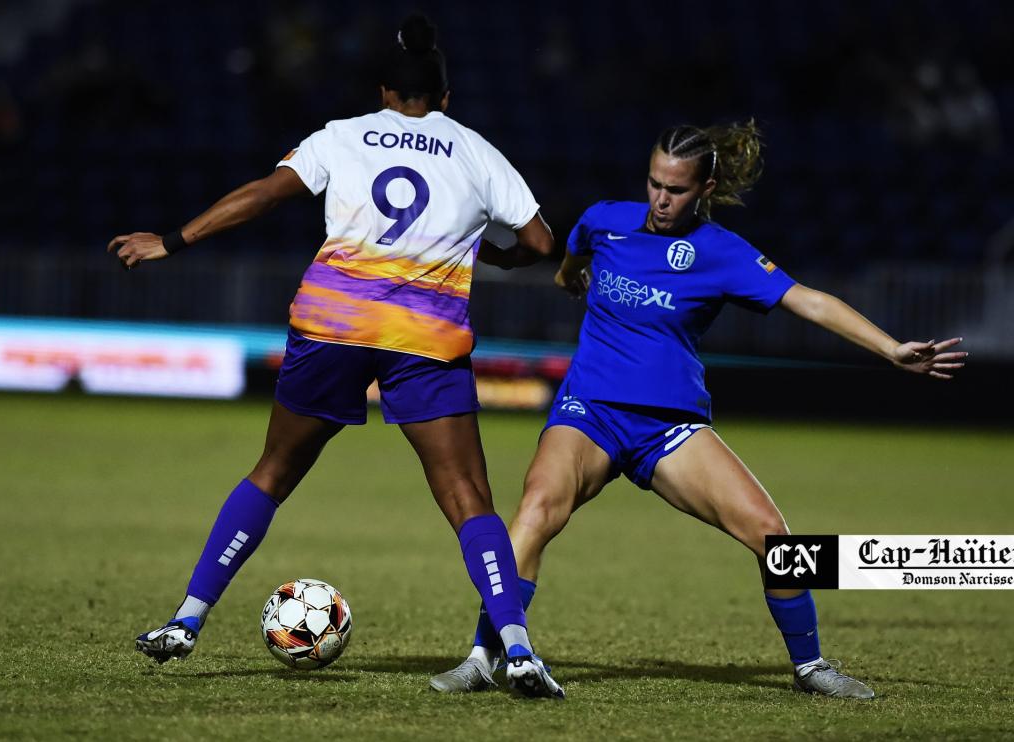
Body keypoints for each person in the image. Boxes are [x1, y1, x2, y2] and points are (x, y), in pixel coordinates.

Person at [110, 14, 565, 699]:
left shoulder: (342, 135)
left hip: (332, 324)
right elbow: (539, 240)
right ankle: (520, 649)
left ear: (385, 92)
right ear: (444, 99)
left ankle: (186, 620)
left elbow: (264, 194)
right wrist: (486, 248)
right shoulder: (475, 150)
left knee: (273, 472)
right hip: (424, 335)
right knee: (469, 497)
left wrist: (173, 240)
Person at [430, 121, 966, 698]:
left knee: (773, 535)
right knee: (535, 511)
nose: (661, 199)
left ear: (704, 189)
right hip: (591, 411)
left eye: (676, 189)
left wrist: (890, 348)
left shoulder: (722, 253)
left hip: (670, 427)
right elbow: (570, 261)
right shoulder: (605, 219)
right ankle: (487, 654)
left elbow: (807, 300)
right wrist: (570, 278)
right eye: (655, 183)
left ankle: (811, 667)